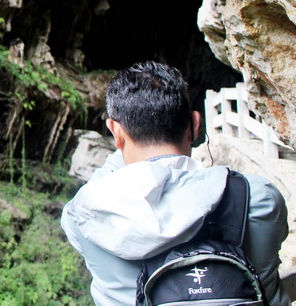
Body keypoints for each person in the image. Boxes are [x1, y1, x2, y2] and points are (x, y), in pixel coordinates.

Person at [61, 61, 290, 305]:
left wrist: (124, 139)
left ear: (116, 132)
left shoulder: (84, 216)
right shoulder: (258, 198)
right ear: (194, 125)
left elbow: (96, 187)